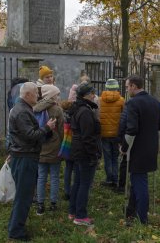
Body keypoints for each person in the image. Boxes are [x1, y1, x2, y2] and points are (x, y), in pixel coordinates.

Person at [7, 82, 56, 240]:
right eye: (36, 92)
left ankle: (15, 225)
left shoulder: (24, 108)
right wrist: (47, 128)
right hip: (24, 157)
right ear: (27, 95)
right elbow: (31, 135)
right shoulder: (22, 111)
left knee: (24, 195)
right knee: (24, 196)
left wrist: (46, 131)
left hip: (25, 155)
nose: (38, 95)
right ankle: (16, 231)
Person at [122, 75, 160, 225]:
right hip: (151, 147)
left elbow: (132, 129)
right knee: (137, 178)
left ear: (133, 86)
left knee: (140, 181)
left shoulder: (133, 103)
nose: (127, 90)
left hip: (138, 148)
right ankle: (131, 210)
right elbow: (159, 125)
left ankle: (142, 217)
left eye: (127, 87)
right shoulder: (155, 102)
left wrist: (124, 147)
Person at [68, 82, 101, 226]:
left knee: (78, 181)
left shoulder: (78, 108)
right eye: (93, 93)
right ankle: (80, 215)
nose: (94, 96)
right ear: (87, 95)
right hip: (85, 152)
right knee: (84, 184)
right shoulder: (85, 112)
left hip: (77, 150)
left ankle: (73, 211)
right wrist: (93, 154)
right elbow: (88, 137)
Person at [34, 85, 64, 215]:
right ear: (52, 96)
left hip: (40, 145)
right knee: (55, 176)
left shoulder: (35, 108)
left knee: (41, 177)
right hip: (54, 147)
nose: (58, 96)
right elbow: (62, 129)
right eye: (57, 94)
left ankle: (40, 204)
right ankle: (53, 203)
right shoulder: (57, 109)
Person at [100, 79, 125, 187]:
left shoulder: (100, 100)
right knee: (115, 157)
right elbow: (124, 117)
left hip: (104, 133)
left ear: (106, 87)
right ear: (117, 87)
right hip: (116, 133)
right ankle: (115, 179)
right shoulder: (122, 100)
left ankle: (109, 179)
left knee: (107, 156)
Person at [60, 100, 74, 200]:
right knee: (76, 169)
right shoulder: (74, 116)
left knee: (68, 169)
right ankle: (75, 190)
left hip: (66, 145)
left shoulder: (62, 117)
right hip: (75, 144)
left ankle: (67, 191)